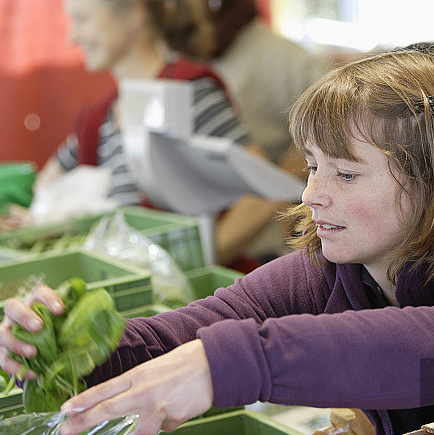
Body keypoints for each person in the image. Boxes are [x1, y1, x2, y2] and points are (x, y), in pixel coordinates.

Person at [0, 46, 434, 435]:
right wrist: (67, 352)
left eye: (346, 175)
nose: (311, 195)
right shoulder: (341, 270)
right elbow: (175, 339)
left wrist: (231, 363)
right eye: (313, 168)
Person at [37, 0, 285, 267]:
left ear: (134, 13)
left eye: (82, 19)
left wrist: (191, 265)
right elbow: (44, 189)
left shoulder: (188, 93)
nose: (72, 37)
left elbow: (264, 193)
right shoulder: (99, 119)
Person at [203, 0, 331, 262]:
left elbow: (332, 122)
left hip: (264, 241)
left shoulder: (286, 61)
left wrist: (282, 181)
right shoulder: (188, 53)